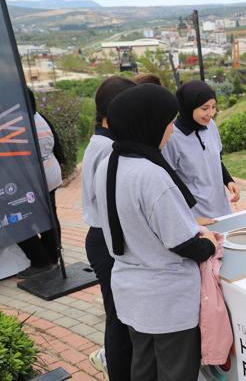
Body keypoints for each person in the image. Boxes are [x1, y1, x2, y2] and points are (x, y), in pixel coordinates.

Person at [95, 84, 217, 380]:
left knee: (144, 369)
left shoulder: (109, 163)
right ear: (148, 123)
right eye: (168, 122)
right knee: (176, 371)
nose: (172, 129)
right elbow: (183, 242)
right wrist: (209, 244)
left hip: (131, 293)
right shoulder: (150, 175)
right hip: (166, 301)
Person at [81, 76, 137, 380]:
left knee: (118, 315)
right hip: (106, 239)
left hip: (103, 236)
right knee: (118, 318)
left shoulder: (101, 141)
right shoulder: (107, 148)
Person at [162, 80, 240, 221]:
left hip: (221, 208)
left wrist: (229, 181)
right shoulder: (172, 137)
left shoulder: (211, 126)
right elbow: (170, 180)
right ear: (189, 106)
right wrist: (191, 218)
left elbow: (216, 159)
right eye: (205, 108)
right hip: (197, 216)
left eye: (214, 107)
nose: (211, 113)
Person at [16, 89, 65, 278]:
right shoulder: (38, 117)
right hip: (49, 174)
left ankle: (41, 261)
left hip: (32, 180)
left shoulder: (18, 123)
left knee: (18, 219)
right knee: (49, 215)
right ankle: (52, 256)